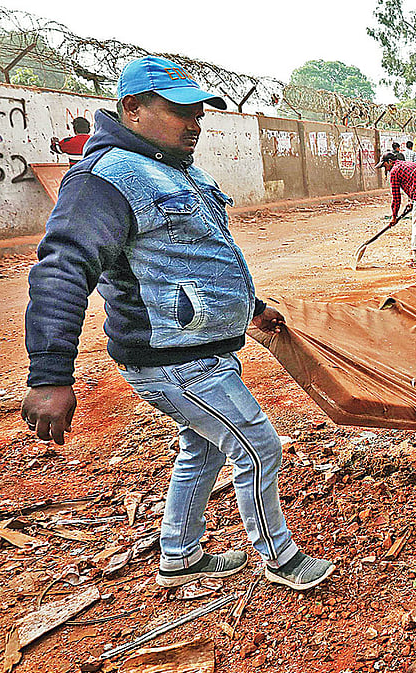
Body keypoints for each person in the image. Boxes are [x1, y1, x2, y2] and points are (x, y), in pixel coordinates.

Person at [21, 56, 335, 592]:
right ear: (132, 109)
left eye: (199, 113)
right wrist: (50, 374)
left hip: (199, 349)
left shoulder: (177, 171)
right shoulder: (103, 181)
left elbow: (200, 258)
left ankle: (179, 554)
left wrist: (251, 307)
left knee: (206, 445)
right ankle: (280, 559)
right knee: (257, 443)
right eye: (179, 111)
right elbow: (63, 267)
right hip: (172, 359)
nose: (194, 124)